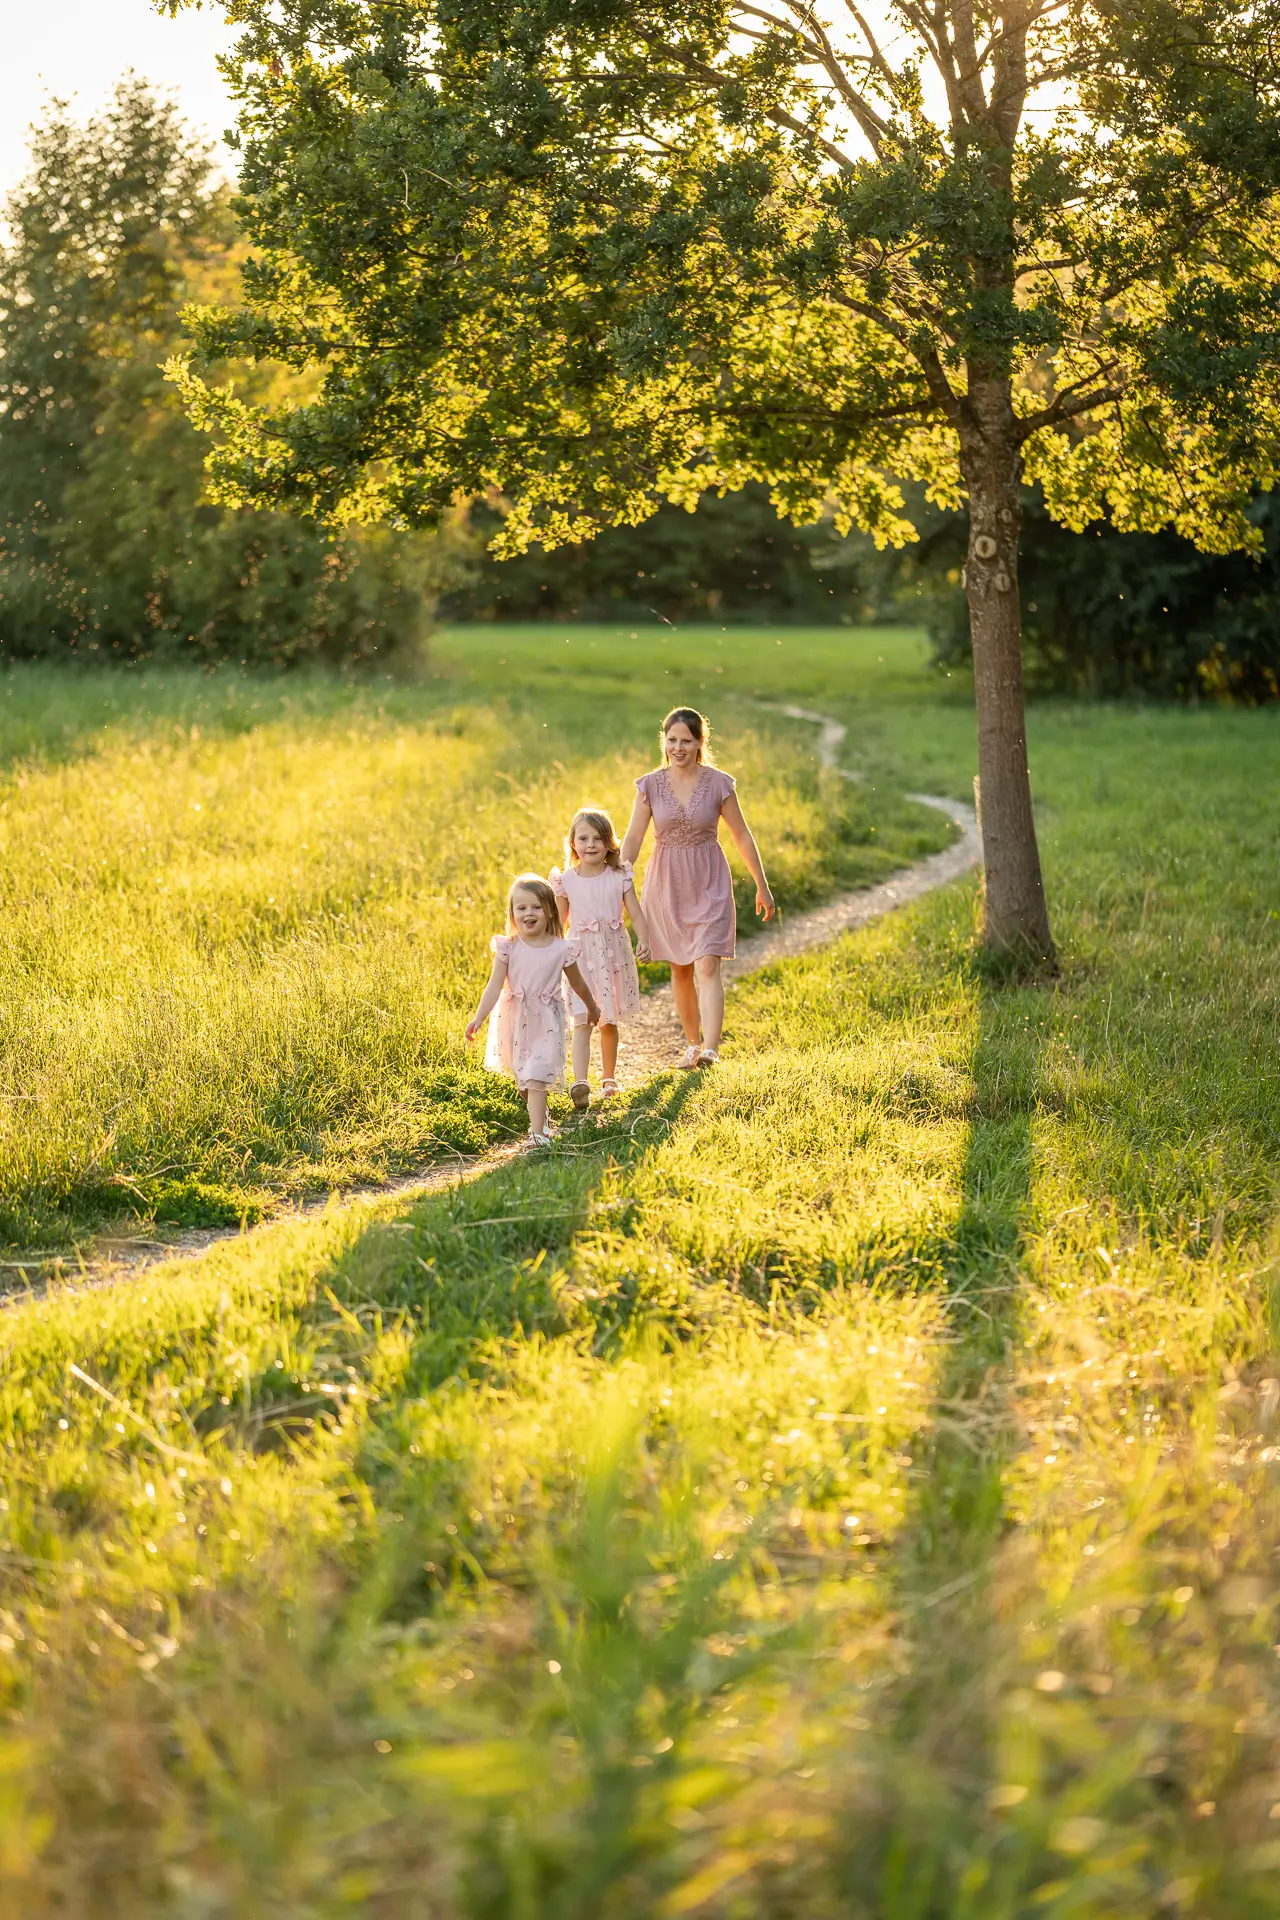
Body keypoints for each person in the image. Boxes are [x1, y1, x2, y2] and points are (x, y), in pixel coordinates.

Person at [620, 706, 775, 1069]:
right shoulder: (650, 786)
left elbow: (742, 836)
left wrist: (762, 885)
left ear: (700, 741)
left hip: (709, 882)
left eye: (686, 741)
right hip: (666, 885)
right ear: (664, 741)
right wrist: (617, 880)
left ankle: (710, 1049)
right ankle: (691, 1044)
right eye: (671, 740)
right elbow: (633, 838)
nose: (678, 747)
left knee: (707, 964)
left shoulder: (720, 783)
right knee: (680, 969)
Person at [465, 874, 600, 1147]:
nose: (529, 913)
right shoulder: (508, 948)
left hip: (546, 1021)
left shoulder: (561, 949)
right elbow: (493, 987)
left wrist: (592, 1007)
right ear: (513, 913)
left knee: (537, 1076)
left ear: (550, 910)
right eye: (521, 908)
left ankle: (538, 1135)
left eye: (536, 907)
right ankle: (542, 1118)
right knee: (523, 1080)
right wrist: (479, 1018)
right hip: (514, 1021)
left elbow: (578, 984)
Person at [550, 807, 651, 1109]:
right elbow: (557, 922)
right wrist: (550, 953)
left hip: (611, 957)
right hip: (579, 959)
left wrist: (644, 940)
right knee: (581, 1019)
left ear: (609, 843)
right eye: (583, 838)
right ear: (573, 843)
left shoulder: (619, 876)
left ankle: (609, 1078)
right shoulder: (566, 881)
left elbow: (634, 911)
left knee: (608, 1020)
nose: (590, 844)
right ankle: (581, 1081)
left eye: (598, 838)